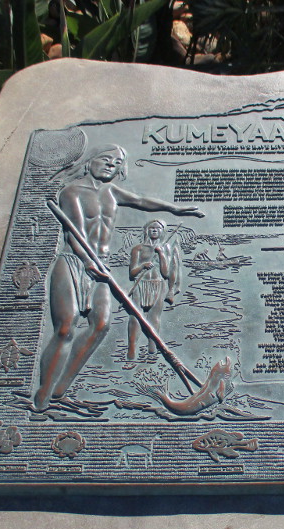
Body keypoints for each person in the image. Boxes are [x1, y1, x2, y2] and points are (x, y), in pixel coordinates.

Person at [33, 144, 203, 412]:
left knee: (101, 325)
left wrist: (175, 209)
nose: (111, 165)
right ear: (90, 161)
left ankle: (59, 392)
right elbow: (75, 232)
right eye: (106, 159)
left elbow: (140, 201)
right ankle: (41, 397)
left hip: (101, 265)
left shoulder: (111, 192)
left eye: (117, 162)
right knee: (66, 328)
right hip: (74, 261)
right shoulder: (71, 191)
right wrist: (88, 261)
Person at [127, 219, 181, 359]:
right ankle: (131, 349)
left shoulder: (165, 248)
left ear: (162, 231)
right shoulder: (137, 249)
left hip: (158, 284)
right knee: (135, 317)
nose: (155, 230)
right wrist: (142, 266)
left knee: (154, 317)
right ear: (147, 231)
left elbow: (166, 273)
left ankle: (152, 348)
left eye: (158, 228)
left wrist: (161, 254)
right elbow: (132, 273)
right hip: (140, 285)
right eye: (152, 228)